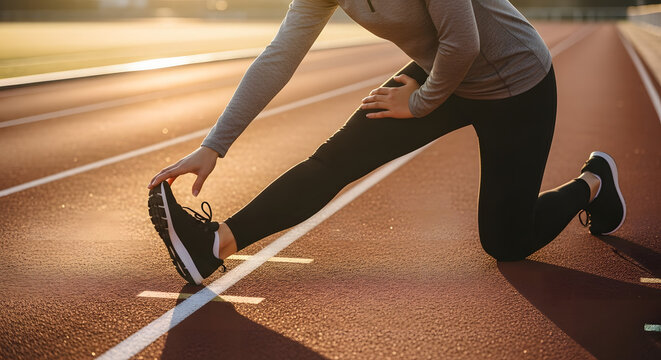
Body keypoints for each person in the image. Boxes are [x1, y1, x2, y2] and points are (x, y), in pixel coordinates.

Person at [147, 0, 626, 285]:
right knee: (334, 160)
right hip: (441, 77)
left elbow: (464, 40)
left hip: (516, 85)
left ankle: (593, 182)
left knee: (505, 241)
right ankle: (214, 245)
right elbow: (278, 57)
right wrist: (214, 145)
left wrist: (418, 105)